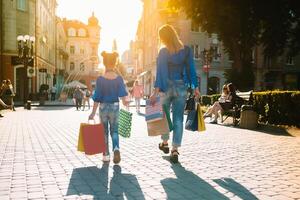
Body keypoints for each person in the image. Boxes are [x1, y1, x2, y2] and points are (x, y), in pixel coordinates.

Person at [149, 24, 200, 163]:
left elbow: (160, 72)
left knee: (163, 116)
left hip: (166, 87)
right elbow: (191, 69)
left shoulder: (164, 51)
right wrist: (195, 87)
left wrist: (155, 92)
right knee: (178, 119)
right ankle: (175, 149)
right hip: (181, 87)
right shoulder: (187, 50)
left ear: (163, 38)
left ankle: (164, 142)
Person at [89, 51, 129, 164]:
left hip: (103, 107)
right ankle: (116, 148)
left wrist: (92, 113)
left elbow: (97, 98)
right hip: (115, 107)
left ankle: (106, 155)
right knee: (114, 131)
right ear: (115, 63)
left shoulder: (100, 79)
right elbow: (123, 96)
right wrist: (126, 102)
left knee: (104, 132)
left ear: (104, 63)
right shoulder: (119, 79)